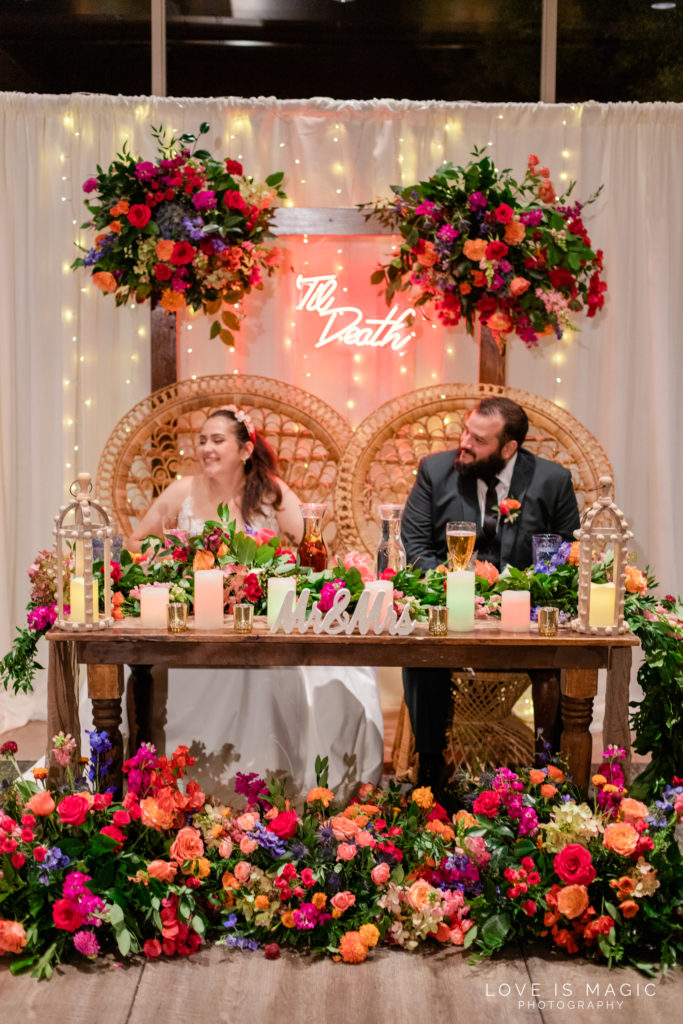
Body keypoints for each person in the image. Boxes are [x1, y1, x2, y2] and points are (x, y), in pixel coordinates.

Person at [90, 406, 384, 802]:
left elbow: (310, 545)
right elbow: (138, 542)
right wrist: (175, 554)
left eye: (217, 440)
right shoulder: (182, 492)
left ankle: (266, 777)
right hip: (197, 620)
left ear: (246, 450)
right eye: (202, 440)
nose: (206, 449)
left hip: (256, 619)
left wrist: (270, 571)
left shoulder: (271, 493)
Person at [401, 395, 580, 790]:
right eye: (466, 431)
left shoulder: (553, 481)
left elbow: (568, 556)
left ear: (509, 447)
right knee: (420, 652)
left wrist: (516, 593)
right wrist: (466, 590)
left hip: (525, 616)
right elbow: (416, 551)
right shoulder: (434, 471)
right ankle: (430, 767)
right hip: (452, 610)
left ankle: (548, 771)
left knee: (560, 657)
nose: (464, 442)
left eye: (479, 440)